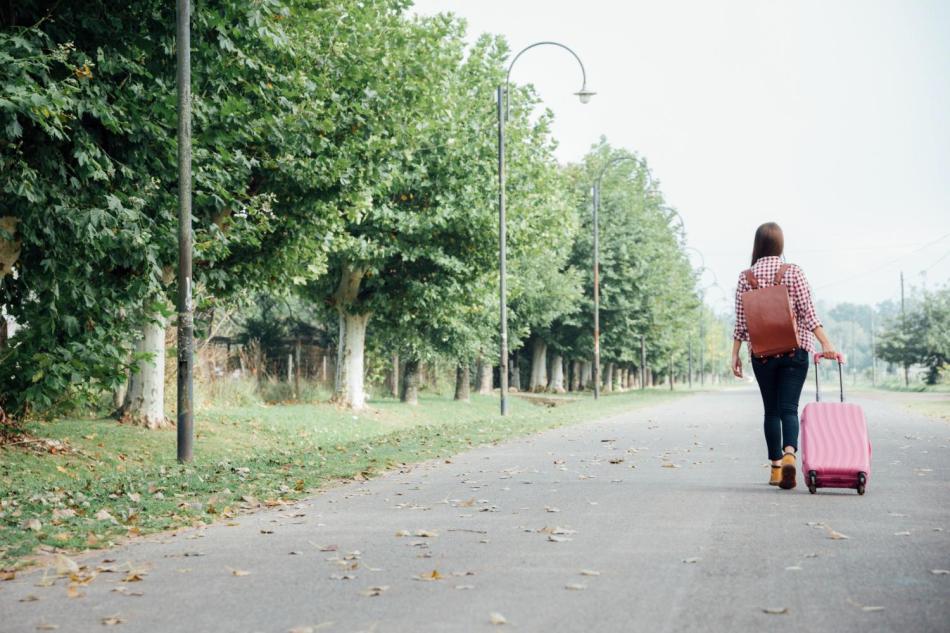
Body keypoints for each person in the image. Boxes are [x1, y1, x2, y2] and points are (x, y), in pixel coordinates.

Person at [730, 222, 838, 490]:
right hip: (795, 349)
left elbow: (741, 323)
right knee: (789, 408)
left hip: (762, 354)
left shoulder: (746, 277)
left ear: (757, 245)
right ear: (780, 245)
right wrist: (826, 344)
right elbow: (809, 314)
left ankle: (776, 469)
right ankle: (790, 453)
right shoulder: (793, 272)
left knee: (771, 411)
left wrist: (734, 355)